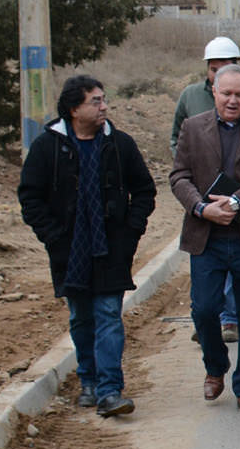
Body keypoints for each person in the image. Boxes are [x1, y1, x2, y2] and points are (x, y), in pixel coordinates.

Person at [18, 75, 155, 418]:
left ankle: (110, 390)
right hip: (70, 251)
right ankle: (89, 381)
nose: (103, 106)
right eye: (95, 101)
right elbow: (30, 198)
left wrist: (131, 231)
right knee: (81, 316)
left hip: (112, 248)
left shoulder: (119, 145)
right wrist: (53, 236)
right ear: (73, 108)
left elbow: (144, 191)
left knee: (109, 314)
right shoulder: (48, 147)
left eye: (103, 99)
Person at [170, 64, 240, 417]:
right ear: (214, 92)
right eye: (226, 94)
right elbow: (179, 175)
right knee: (204, 310)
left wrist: (237, 201)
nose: (233, 100)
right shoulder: (193, 127)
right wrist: (202, 208)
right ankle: (215, 365)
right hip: (207, 237)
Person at [171, 37, 240, 340]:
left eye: (224, 67)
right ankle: (210, 325)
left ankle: (230, 318)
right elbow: (177, 136)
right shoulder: (190, 96)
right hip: (203, 200)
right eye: (213, 69)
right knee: (205, 289)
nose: (231, 99)